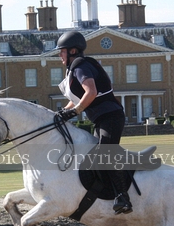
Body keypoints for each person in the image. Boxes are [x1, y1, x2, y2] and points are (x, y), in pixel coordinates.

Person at [55, 30, 132, 214]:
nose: (60, 55)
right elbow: (77, 99)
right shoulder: (74, 69)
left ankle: (123, 197)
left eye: (62, 51)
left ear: (73, 51)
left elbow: (91, 92)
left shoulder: (81, 66)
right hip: (101, 120)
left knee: (105, 153)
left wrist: (75, 111)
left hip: (111, 116)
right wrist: (62, 113)